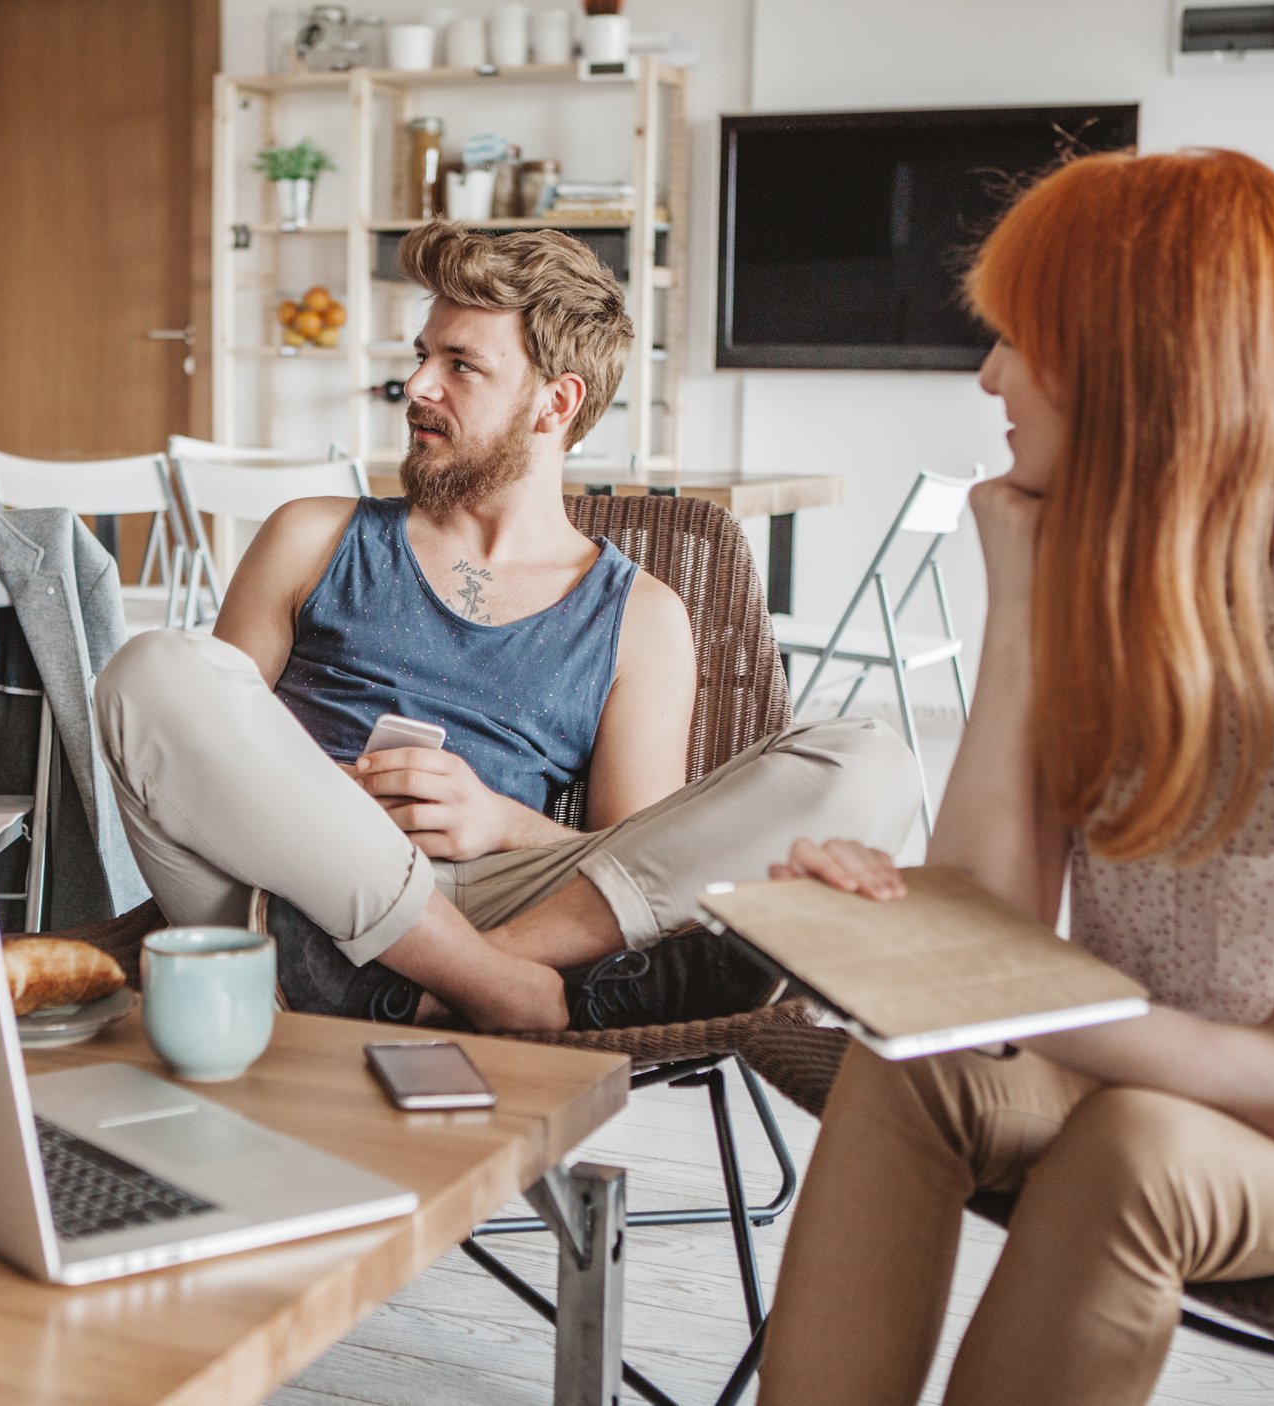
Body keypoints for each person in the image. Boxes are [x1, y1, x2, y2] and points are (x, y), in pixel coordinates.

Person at [755, 148, 1274, 1405]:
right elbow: (1001, 922)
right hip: (1144, 1095)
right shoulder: (1108, 599)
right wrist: (909, 935)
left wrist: (995, 996)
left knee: (1137, 1149)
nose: (988, 376)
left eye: (1021, 339)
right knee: (909, 1060)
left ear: (1143, 365)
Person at [95, 222, 921, 1032]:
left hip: (502, 894)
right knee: (155, 665)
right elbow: (205, 742)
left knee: (869, 761)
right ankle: (498, 991)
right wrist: (320, 796)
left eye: (460, 365)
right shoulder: (312, 535)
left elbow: (643, 853)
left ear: (553, 403)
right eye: (421, 356)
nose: (417, 386)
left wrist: (499, 822)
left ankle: (435, 983)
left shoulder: (639, 617)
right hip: (285, 902)